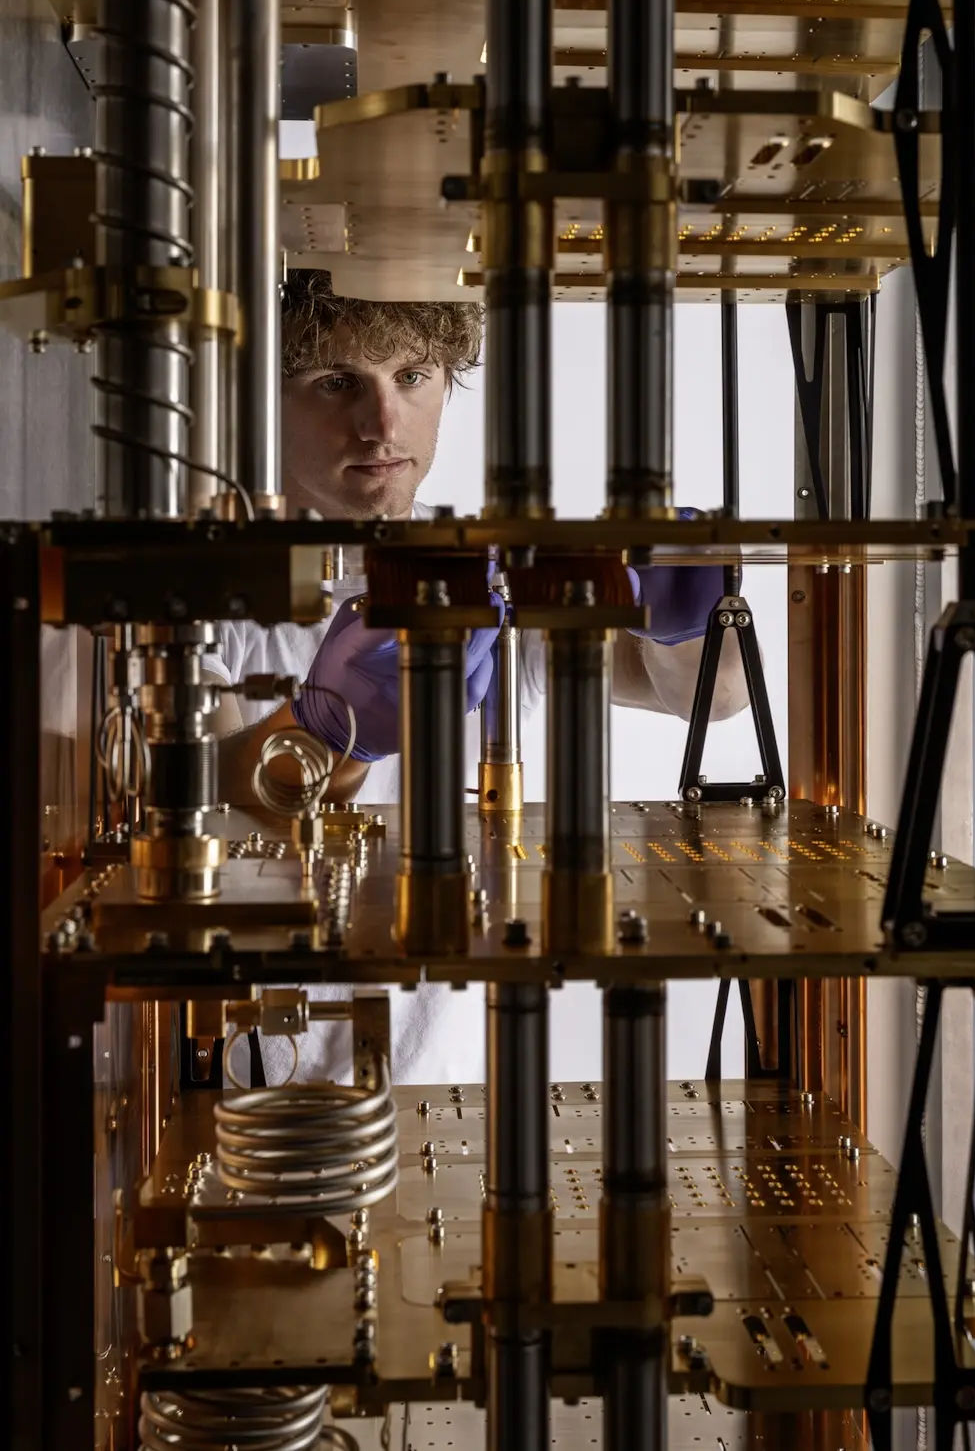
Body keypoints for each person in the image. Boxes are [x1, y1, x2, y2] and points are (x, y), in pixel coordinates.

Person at [206, 270, 750, 1085]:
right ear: (261, 398)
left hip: (442, 1095)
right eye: (337, 381)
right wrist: (325, 734)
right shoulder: (194, 585)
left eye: (412, 376)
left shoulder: (483, 570)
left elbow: (710, 697)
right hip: (239, 1084)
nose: (382, 423)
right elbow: (196, 802)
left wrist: (681, 619)